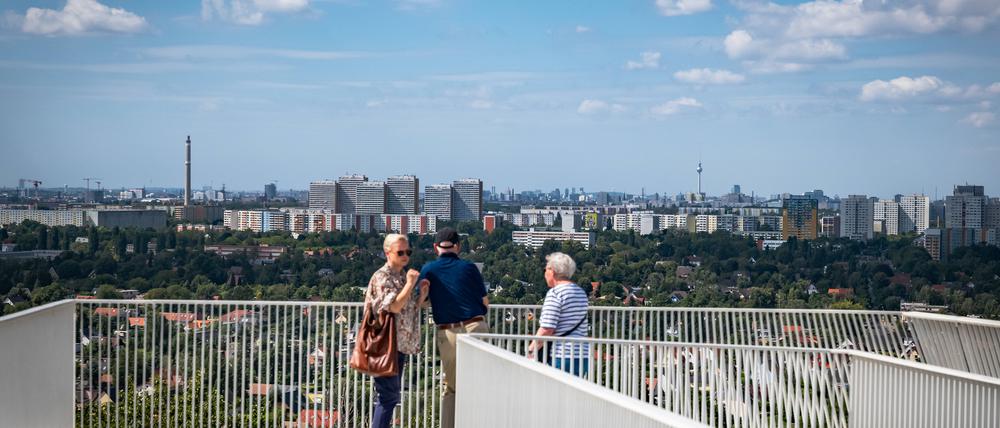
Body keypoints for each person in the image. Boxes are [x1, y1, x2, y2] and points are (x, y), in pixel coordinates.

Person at [418, 227, 489, 428]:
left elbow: (421, 302)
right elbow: (485, 303)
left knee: (451, 387)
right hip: (476, 327)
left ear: (435, 247)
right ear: (457, 246)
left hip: (448, 332)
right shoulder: (469, 268)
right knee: (479, 384)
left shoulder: (429, 270)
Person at [364, 234, 428, 428]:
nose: (405, 256)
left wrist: (421, 297)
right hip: (384, 345)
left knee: (389, 397)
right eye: (400, 252)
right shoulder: (382, 277)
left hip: (397, 346)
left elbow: (406, 309)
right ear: (387, 253)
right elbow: (393, 307)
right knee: (388, 397)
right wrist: (410, 284)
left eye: (407, 252)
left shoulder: (400, 276)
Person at [530, 252, 589, 376]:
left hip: (561, 354)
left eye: (545, 269)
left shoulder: (555, 293)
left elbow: (547, 328)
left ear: (552, 271)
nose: (545, 273)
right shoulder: (580, 292)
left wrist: (531, 350)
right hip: (582, 354)